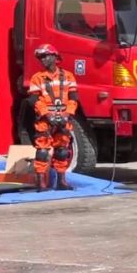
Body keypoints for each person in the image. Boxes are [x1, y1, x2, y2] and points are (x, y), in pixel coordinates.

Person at [28, 44, 79, 191]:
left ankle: (61, 182)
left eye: (45, 56)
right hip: (45, 119)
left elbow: (74, 98)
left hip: (64, 117)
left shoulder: (68, 76)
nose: (42, 60)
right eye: (40, 57)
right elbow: (34, 100)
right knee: (42, 151)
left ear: (55, 57)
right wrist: (47, 114)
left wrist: (67, 114)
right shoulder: (37, 78)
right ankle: (40, 183)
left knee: (62, 150)